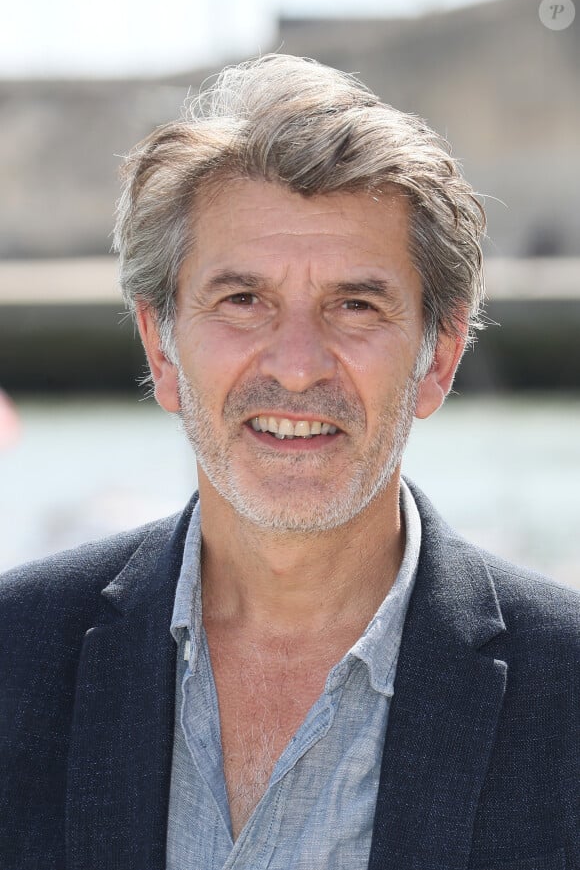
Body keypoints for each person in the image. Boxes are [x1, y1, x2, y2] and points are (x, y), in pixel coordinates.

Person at [1, 54, 578, 870]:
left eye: (355, 305)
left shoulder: (567, 690)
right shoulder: (14, 659)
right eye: (244, 300)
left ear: (439, 357)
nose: (299, 364)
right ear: (160, 350)